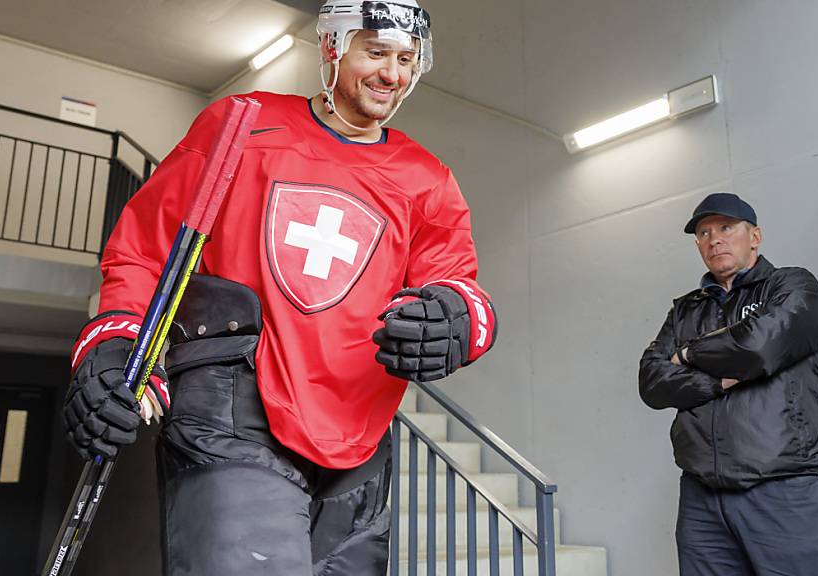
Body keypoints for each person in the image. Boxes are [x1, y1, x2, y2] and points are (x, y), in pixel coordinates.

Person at [61, 1, 497, 574]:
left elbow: (454, 279)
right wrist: (112, 343)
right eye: (375, 52)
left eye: (406, 59)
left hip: (360, 435)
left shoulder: (427, 179)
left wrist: (457, 319)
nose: (392, 73)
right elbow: (146, 247)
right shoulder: (242, 123)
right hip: (232, 404)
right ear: (333, 48)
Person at [638, 192, 818, 575]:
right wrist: (719, 381)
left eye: (725, 227)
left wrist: (686, 354)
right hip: (703, 497)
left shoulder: (793, 286)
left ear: (755, 236)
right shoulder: (686, 309)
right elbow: (651, 382)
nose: (713, 239)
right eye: (703, 233)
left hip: (785, 487)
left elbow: (757, 348)